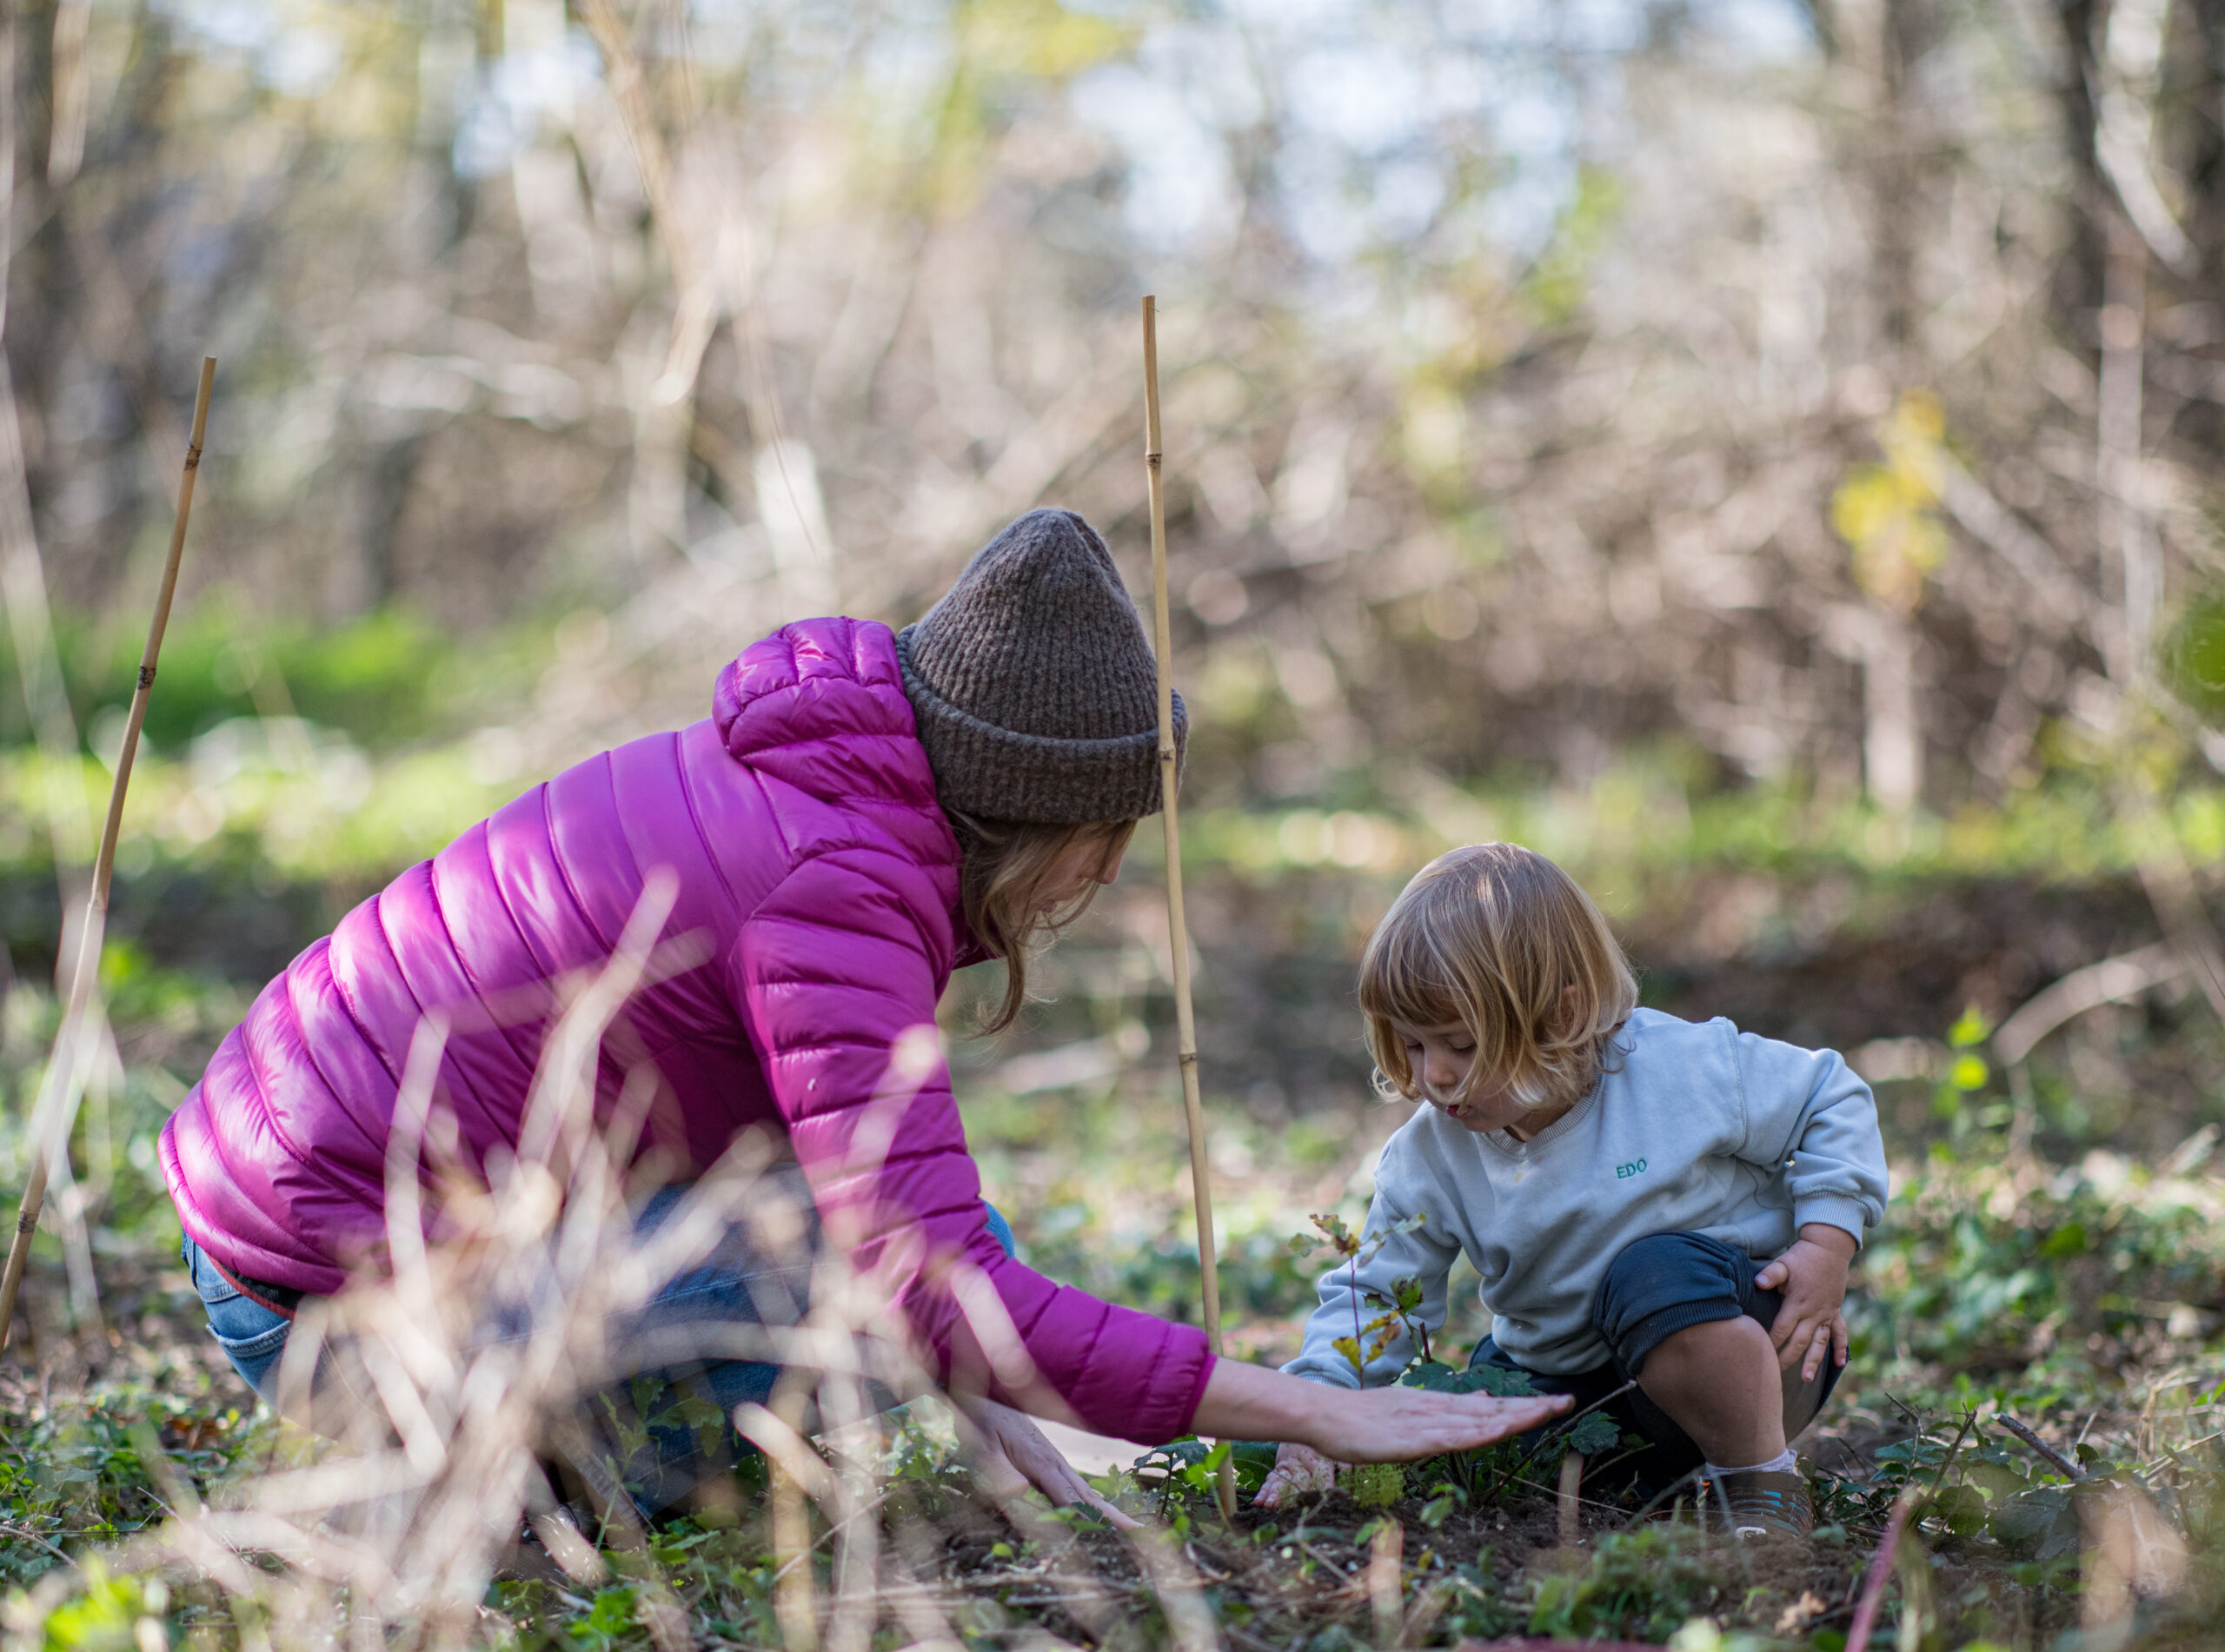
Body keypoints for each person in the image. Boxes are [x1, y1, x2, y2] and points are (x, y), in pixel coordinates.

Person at [162, 509, 1566, 1517]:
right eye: (1112, 835)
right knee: (863, 1298)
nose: (1113, 871)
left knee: (915, 1242)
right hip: (335, 1311)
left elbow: (891, 1193)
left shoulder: (810, 779)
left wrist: (1012, 1405)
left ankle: (556, 1466)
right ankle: (497, 1495)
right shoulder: (832, 886)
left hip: (277, 1219)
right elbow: (929, 1288)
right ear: (1042, 815)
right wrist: (1314, 1404)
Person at [1255, 841, 1889, 1538]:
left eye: (1461, 1045)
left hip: (1756, 1350)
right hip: (1592, 1398)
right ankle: (1641, 1491)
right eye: (1411, 1045)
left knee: (1653, 1276)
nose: (1434, 1074)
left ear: (1561, 1014)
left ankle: (1760, 1487)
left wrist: (1827, 1246)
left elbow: (1831, 1096)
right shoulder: (1432, 1151)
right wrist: (1318, 1405)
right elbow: (1375, 1290)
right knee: (1474, 1409)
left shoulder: (1682, 1070)